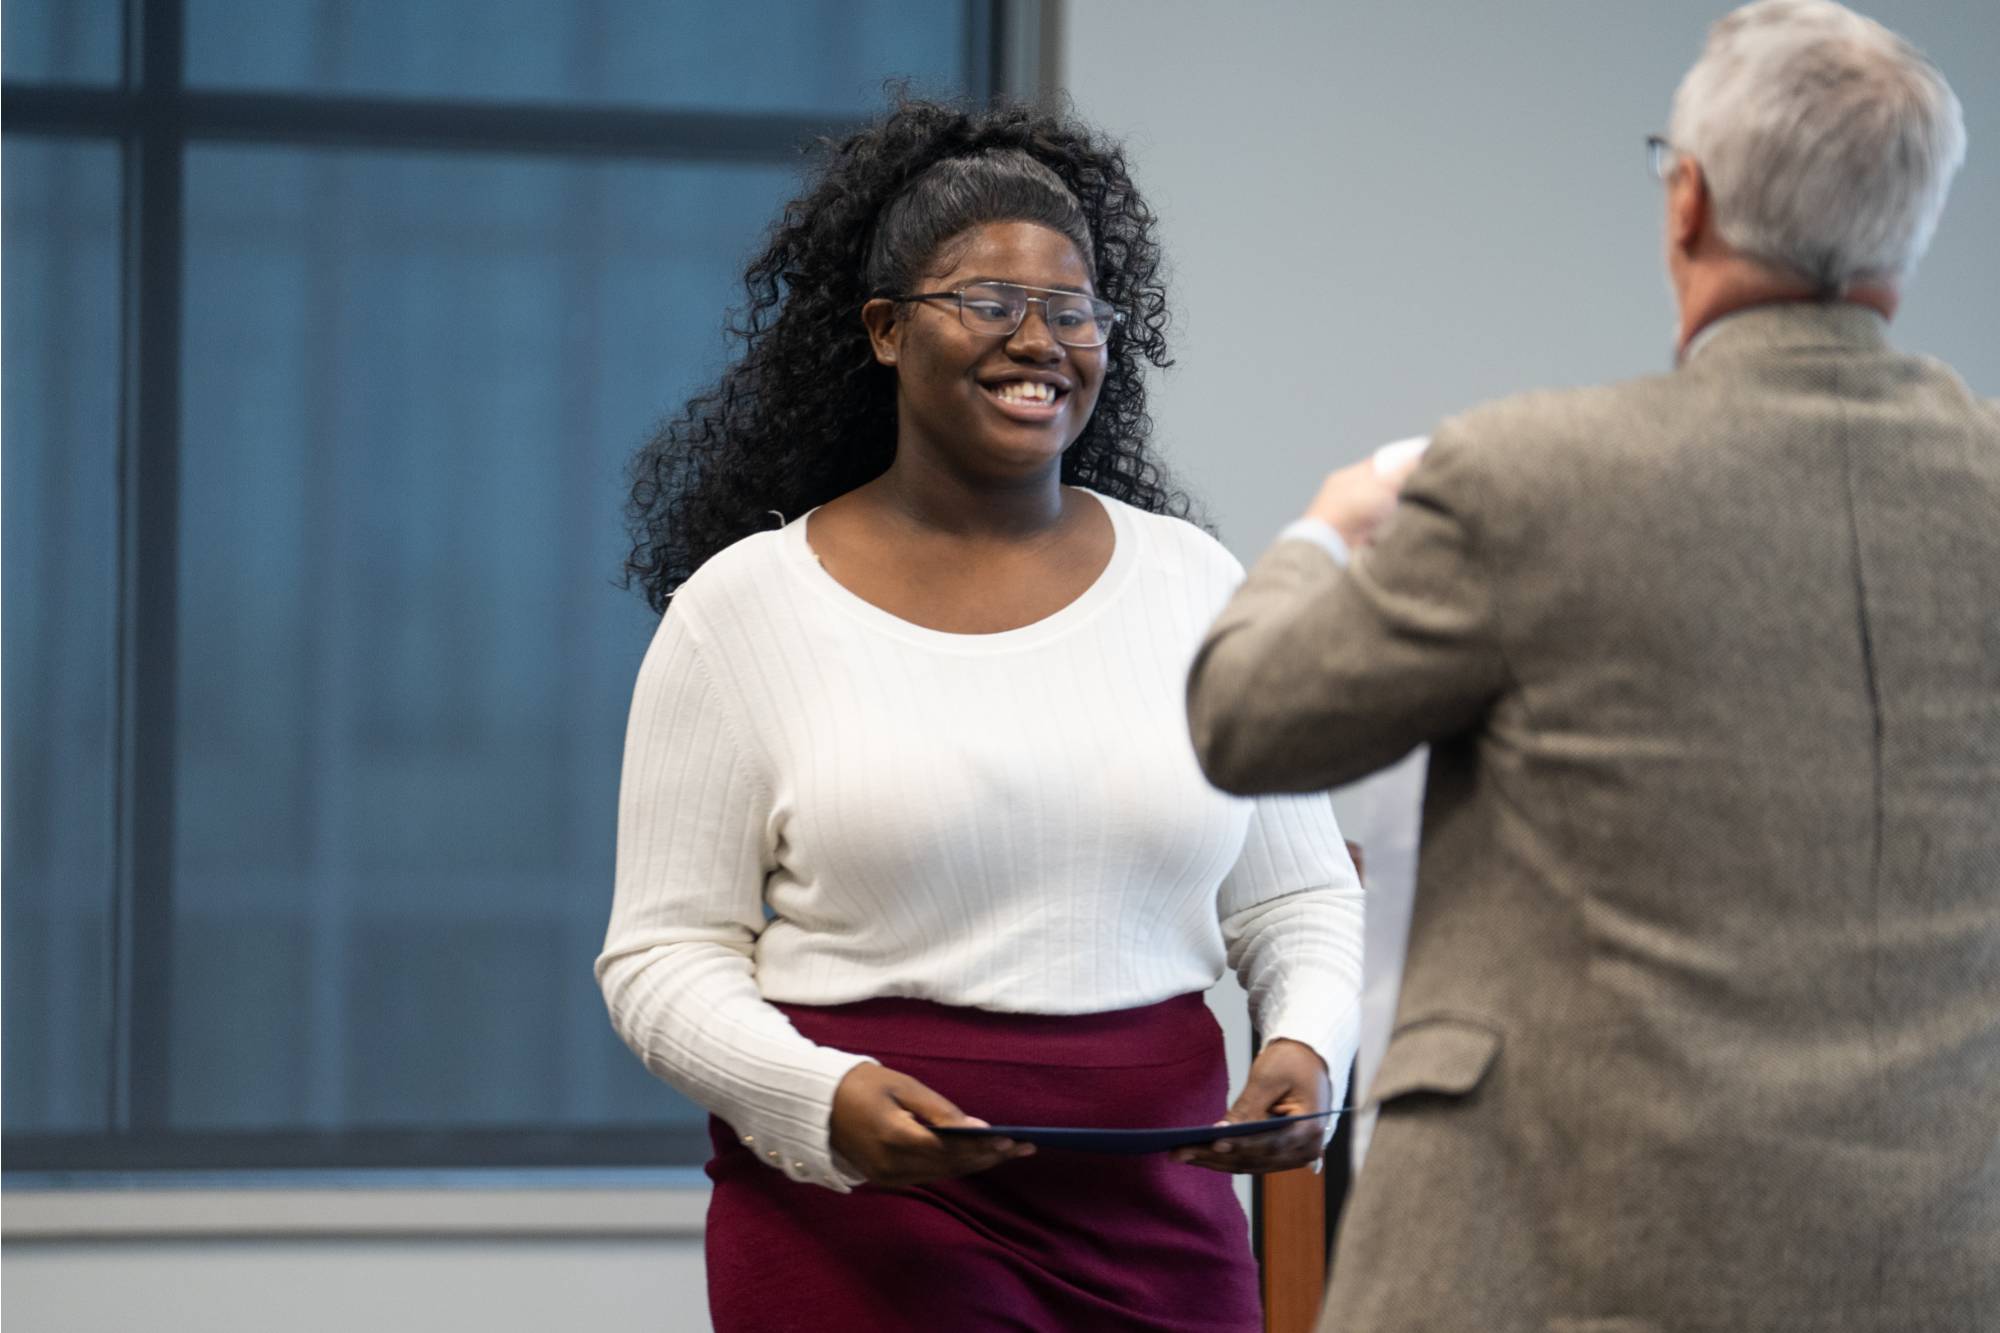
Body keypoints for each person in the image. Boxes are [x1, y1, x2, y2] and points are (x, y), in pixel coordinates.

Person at [1185, 2, 1997, 1329]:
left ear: (1688, 202)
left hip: (1559, 1259)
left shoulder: (1527, 478)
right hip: (1926, 1266)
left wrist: (1324, 537)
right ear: (1910, 230)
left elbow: (1245, 717)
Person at [597, 98, 1365, 1333]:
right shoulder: (743, 608)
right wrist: (816, 1096)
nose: (1039, 341)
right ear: (886, 331)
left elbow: (1297, 894)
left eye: (1072, 309)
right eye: (987, 304)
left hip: (1158, 1214)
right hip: (862, 1218)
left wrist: (1308, 1044)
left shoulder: (1193, 587)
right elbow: (660, 956)